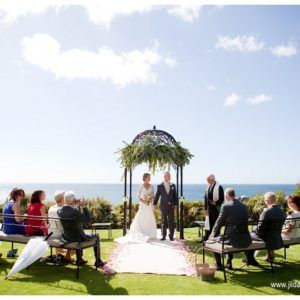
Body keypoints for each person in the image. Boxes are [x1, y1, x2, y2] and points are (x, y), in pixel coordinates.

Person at [57, 191, 106, 268]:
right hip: (77, 238)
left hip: (66, 237)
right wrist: (83, 206)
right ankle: (98, 261)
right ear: (73, 200)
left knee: (78, 232)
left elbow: (72, 214)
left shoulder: (59, 211)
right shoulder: (75, 212)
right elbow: (88, 219)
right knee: (96, 236)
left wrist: (74, 205)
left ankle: (79, 259)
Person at [208, 188, 252, 270]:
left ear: (226, 196)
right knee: (228, 236)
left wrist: (212, 235)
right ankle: (229, 262)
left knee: (212, 241)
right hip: (245, 238)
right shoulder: (245, 207)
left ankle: (219, 265)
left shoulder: (226, 206)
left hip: (232, 239)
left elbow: (219, 222)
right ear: (234, 195)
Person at [115, 173, 157, 243]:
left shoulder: (152, 186)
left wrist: (150, 198)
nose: (149, 178)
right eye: (148, 177)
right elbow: (138, 196)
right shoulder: (141, 186)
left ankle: (149, 233)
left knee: (149, 217)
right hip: (143, 205)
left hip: (149, 204)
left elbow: (153, 195)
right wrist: (144, 201)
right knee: (142, 217)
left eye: (150, 177)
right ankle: (142, 232)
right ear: (145, 178)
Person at [246, 192, 286, 264]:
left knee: (247, 235)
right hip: (276, 236)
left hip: (266, 237)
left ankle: (250, 258)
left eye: (264, 200)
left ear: (267, 201)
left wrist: (254, 228)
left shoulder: (266, 212)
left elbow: (260, 229)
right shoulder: (281, 211)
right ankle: (251, 258)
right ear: (275, 200)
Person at [48, 191, 74, 263]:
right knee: (73, 232)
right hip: (60, 235)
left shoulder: (51, 208)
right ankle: (68, 255)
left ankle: (60, 252)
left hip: (51, 233)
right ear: (63, 198)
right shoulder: (63, 209)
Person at [154, 171, 178, 241]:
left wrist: (176, 205)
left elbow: (175, 196)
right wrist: (155, 204)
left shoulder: (173, 185)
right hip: (163, 206)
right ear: (164, 177)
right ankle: (163, 235)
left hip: (171, 206)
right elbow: (157, 195)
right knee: (164, 221)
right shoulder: (160, 185)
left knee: (171, 221)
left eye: (170, 176)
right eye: (168, 176)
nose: (169, 177)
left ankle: (171, 236)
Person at [202, 174, 224, 242]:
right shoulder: (208, 187)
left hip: (216, 209)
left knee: (215, 224)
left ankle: (215, 238)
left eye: (208, 180)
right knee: (208, 224)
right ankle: (207, 237)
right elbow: (206, 199)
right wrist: (205, 210)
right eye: (207, 180)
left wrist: (216, 203)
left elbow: (222, 198)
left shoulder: (219, 187)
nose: (207, 181)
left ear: (213, 179)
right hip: (208, 209)